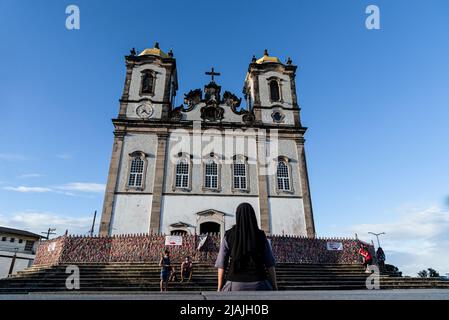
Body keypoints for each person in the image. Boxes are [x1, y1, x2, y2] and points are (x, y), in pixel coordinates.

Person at [215, 203, 278, 291]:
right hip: (259, 282)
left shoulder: (229, 235)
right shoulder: (260, 235)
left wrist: (219, 287)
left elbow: (222, 264)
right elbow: (270, 263)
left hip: (234, 282)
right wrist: (275, 286)